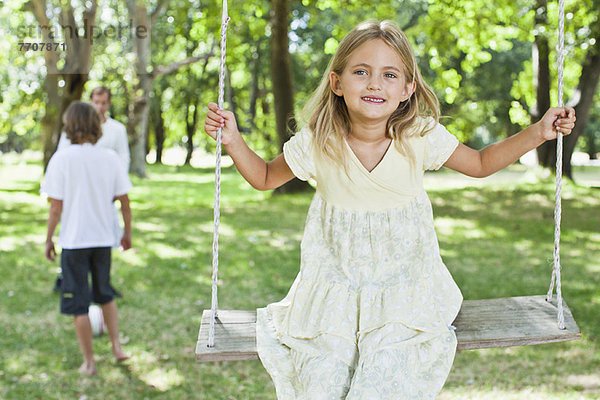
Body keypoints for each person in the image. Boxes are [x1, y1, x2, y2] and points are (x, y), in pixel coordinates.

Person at [204, 20, 576, 399]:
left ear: (407, 89)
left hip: (405, 289)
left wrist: (539, 132)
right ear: (337, 83)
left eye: (389, 74)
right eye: (361, 72)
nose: (374, 84)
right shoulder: (320, 143)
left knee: (386, 376)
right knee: (321, 376)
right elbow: (265, 176)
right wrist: (233, 141)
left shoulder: (419, 136)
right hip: (335, 292)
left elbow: (480, 163)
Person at [42, 102, 132, 375]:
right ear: (96, 125)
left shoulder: (61, 159)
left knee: (79, 304)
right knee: (105, 293)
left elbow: (55, 207)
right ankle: (117, 348)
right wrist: (127, 233)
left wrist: (48, 239)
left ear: (70, 126)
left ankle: (89, 363)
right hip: (103, 239)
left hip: (74, 241)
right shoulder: (110, 159)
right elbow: (125, 202)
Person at [53, 85, 130, 293]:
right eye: (96, 102)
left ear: (109, 103)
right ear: (90, 101)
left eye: (104, 102)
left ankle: (101, 283)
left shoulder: (117, 131)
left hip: (104, 191)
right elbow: (62, 158)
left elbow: (123, 160)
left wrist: (114, 188)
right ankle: (68, 278)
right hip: (77, 191)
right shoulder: (71, 135)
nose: (100, 106)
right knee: (74, 231)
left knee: (104, 233)